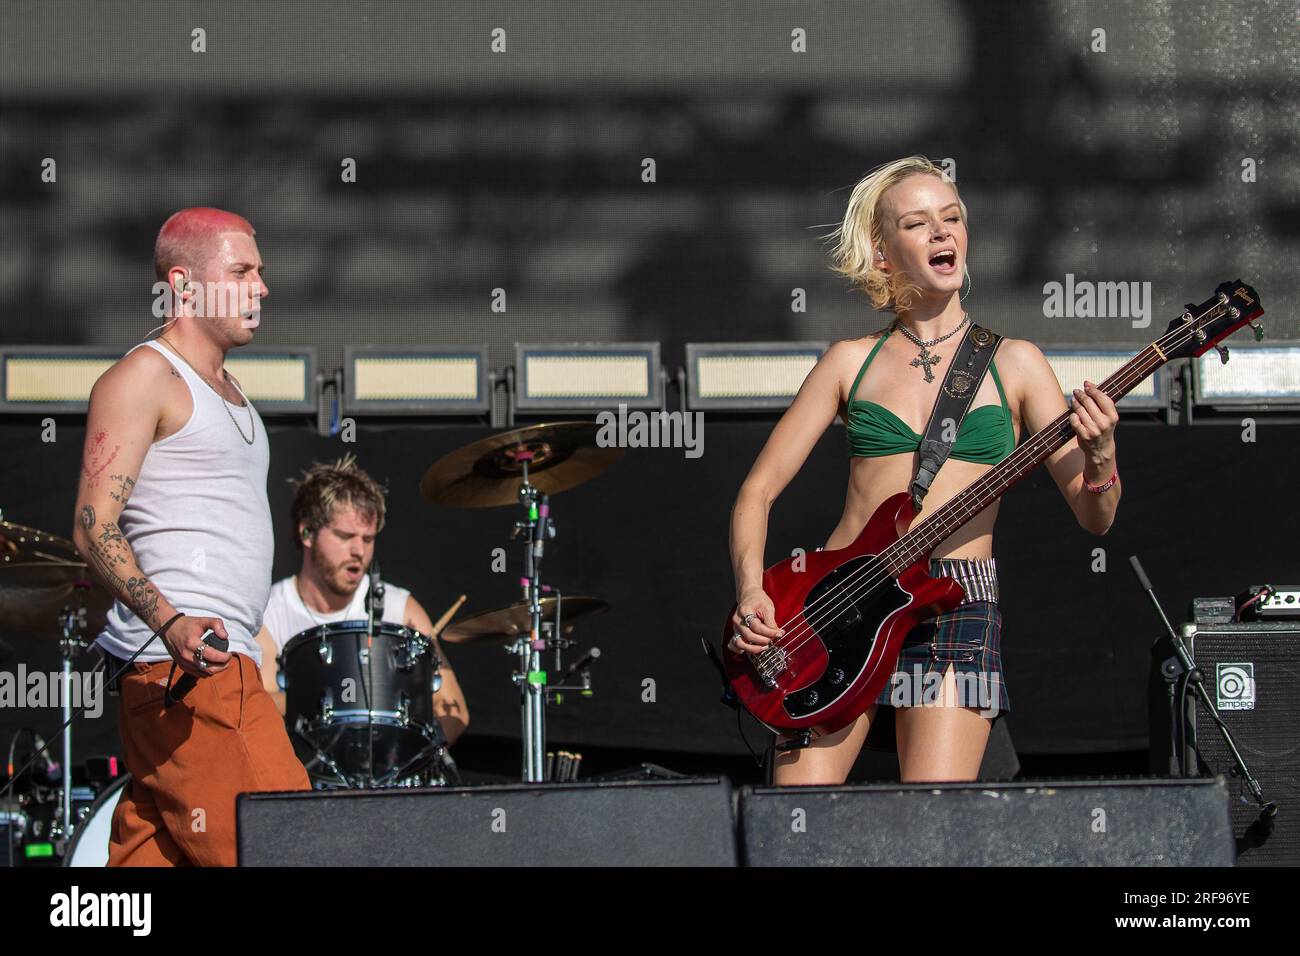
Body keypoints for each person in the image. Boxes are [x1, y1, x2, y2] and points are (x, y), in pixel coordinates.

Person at [727, 156, 1120, 785]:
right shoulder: (849, 361)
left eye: (953, 218)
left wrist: (1101, 456)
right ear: (884, 255)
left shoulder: (1016, 363)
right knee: (794, 824)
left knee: (930, 824)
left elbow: (1094, 515)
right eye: (918, 223)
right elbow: (757, 492)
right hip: (837, 602)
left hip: (955, 602)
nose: (943, 233)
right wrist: (752, 590)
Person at [72, 207, 310, 866]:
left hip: (197, 676)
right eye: (241, 271)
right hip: (193, 673)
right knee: (290, 850)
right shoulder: (146, 376)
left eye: (260, 272)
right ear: (184, 285)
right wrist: (172, 622)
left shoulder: (234, 396)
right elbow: (94, 525)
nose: (261, 288)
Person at [255, 455, 469, 753]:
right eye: (344, 536)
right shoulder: (270, 612)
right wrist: (354, 702)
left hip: (388, 781)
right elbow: (260, 701)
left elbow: (455, 709)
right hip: (302, 778)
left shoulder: (400, 609)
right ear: (306, 532)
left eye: (368, 539)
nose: (359, 551)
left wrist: (411, 758)